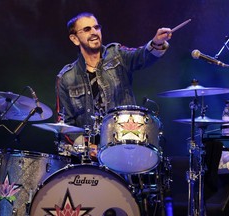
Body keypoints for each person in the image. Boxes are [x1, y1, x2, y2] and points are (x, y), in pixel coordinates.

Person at [55, 12, 172, 161]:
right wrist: (87, 147)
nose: (94, 32)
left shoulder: (116, 54)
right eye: (87, 29)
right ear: (74, 39)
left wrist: (156, 43)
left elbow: (140, 57)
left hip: (125, 147)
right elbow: (65, 124)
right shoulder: (66, 78)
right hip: (89, 158)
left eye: (96, 27)